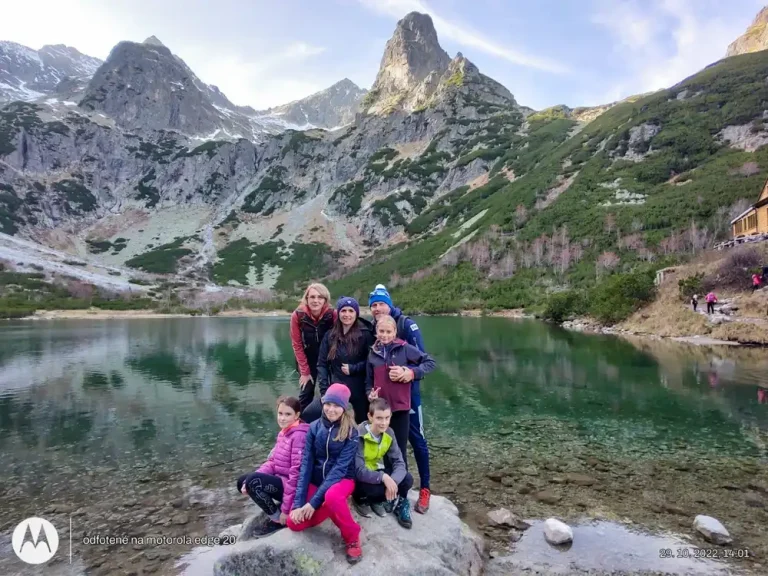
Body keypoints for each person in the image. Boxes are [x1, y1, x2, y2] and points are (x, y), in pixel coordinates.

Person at [368, 283, 434, 514]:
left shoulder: (407, 325)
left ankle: (424, 489)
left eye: (381, 303)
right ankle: (392, 488)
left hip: (409, 397)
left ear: (390, 304)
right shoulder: (375, 329)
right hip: (385, 400)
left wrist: (410, 373)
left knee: (417, 440)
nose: (377, 308)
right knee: (388, 442)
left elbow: (425, 361)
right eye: (373, 305)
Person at [288, 384, 363, 564]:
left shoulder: (352, 432)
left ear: (344, 407)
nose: (331, 409)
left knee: (332, 496)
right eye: (328, 404)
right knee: (293, 523)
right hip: (317, 479)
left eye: (336, 405)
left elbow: (339, 469)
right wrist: (299, 504)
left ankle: (352, 536)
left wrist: (313, 503)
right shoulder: (313, 428)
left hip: (343, 479)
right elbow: (306, 466)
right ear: (323, 403)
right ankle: (331, 509)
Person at [236, 396, 309, 536]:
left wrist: (287, 510)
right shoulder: (284, 432)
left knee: (253, 482)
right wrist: (254, 476)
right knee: (243, 482)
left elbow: (296, 475)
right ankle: (277, 509)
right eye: (280, 413)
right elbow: (273, 463)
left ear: (297, 415)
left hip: (293, 488)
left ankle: (278, 520)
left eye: (288, 414)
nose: (282, 418)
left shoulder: (299, 436)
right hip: (281, 480)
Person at [307, 296, 375, 424]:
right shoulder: (330, 335)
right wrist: (324, 391)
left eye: (351, 311)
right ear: (338, 313)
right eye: (343, 311)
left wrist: (354, 368)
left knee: (362, 424)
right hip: (336, 388)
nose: (347, 314)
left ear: (356, 313)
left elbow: (372, 361)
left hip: (359, 389)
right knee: (309, 415)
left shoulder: (365, 334)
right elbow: (322, 365)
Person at [353, 398, 414, 529]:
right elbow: (358, 470)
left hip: (377, 471)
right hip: (362, 477)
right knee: (372, 488)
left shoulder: (389, 433)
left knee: (408, 479)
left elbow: (399, 462)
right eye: (379, 418)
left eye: (387, 418)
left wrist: (393, 481)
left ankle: (385, 500)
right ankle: (362, 500)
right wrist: (384, 478)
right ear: (370, 417)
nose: (384, 423)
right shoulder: (359, 435)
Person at [290, 283, 336, 413]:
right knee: (306, 392)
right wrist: (304, 372)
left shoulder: (332, 315)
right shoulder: (298, 316)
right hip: (306, 359)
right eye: (312, 297)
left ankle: (330, 423)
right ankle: (301, 425)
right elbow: (297, 345)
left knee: (329, 392)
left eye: (320, 297)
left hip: (327, 358)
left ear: (325, 300)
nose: (316, 300)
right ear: (307, 299)